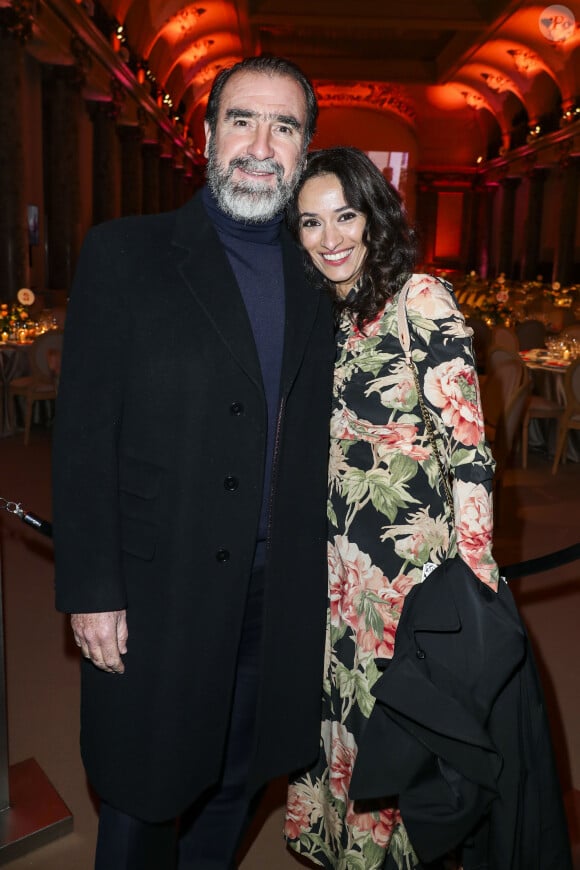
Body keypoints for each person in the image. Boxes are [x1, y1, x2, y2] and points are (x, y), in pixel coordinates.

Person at [52, 56, 335, 870]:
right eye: (242, 119)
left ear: (305, 151)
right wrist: (93, 590)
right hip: (156, 586)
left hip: (275, 594)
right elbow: (82, 438)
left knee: (234, 784)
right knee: (143, 798)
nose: (260, 143)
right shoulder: (124, 254)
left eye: (284, 128)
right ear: (208, 134)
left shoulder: (321, 271)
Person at [282, 147, 507, 868]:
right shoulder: (329, 314)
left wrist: (473, 582)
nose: (331, 238)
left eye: (345, 215)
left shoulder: (421, 299)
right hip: (340, 569)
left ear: (374, 216)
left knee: (399, 731)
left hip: (412, 572)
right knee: (344, 716)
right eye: (310, 223)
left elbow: (467, 447)